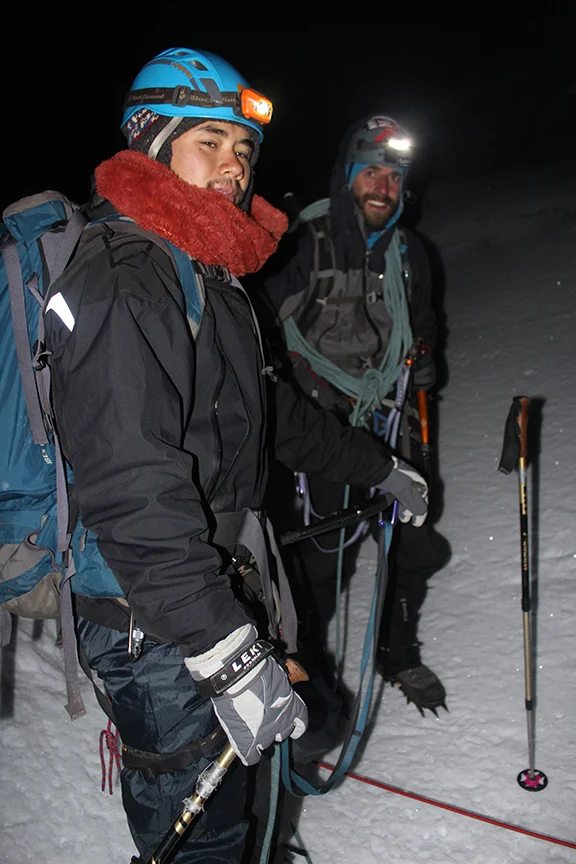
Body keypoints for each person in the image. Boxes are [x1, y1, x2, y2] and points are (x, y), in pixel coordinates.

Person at [43, 53, 429, 863]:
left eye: (242, 152)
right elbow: (132, 486)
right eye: (209, 141)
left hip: (207, 586)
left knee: (239, 804)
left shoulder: (202, 270)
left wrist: (375, 466)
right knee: (200, 830)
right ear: (152, 146)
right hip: (153, 616)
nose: (231, 165)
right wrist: (225, 651)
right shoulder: (126, 276)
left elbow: (268, 410)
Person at [261, 114, 451, 715]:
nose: (382, 187)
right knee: (324, 560)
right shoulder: (304, 242)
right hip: (321, 428)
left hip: (391, 415)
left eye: (393, 177)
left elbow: (423, 327)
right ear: (347, 178)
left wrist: (424, 362)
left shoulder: (409, 255)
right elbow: (256, 331)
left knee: (412, 541)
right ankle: (306, 673)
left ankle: (397, 653)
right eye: (370, 172)